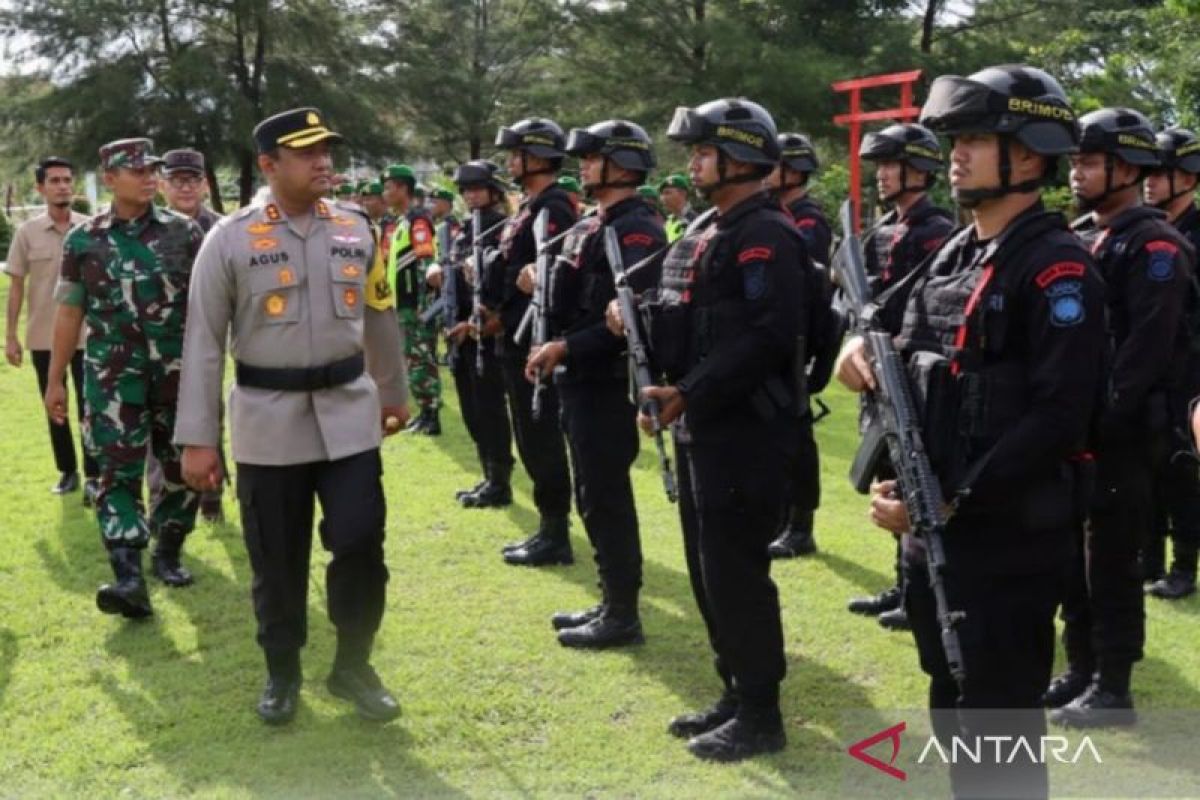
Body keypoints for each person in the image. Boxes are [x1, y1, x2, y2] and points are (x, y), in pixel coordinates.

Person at [837, 65, 1104, 798]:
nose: (956, 154)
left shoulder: (1057, 267)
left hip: (1005, 533)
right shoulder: (954, 251)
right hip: (935, 530)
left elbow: (1059, 416)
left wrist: (953, 500)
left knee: (997, 717)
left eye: (979, 138)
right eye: (957, 138)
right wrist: (853, 351)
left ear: (1032, 151)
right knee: (950, 696)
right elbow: (879, 331)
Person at [175, 107, 408, 726]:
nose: (323, 161)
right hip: (267, 422)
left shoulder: (357, 229)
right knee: (276, 558)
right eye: (307, 153)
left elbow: (381, 314)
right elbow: (201, 342)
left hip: (350, 416)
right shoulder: (228, 239)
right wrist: (198, 440)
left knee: (361, 541)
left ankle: (353, 665)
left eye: (326, 150)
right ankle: (282, 670)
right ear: (269, 165)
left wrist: (394, 391)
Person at [610, 97, 809, 761]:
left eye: (703, 150)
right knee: (706, 569)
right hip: (703, 425)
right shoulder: (711, 228)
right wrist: (632, 316)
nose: (691, 161)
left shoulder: (766, 235)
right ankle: (734, 690)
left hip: (745, 432)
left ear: (741, 157)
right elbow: (691, 319)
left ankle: (761, 712)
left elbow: (766, 335)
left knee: (736, 572)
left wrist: (689, 392)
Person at [1047, 107, 1194, 728]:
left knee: (1112, 556)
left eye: (1088, 162)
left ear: (1126, 168)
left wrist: (1101, 416)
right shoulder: (1092, 233)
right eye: (1075, 161)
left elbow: (1146, 349)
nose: (1076, 172)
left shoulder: (1154, 243)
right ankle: (1081, 667)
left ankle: (1114, 684)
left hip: (1126, 430)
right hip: (1084, 428)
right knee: (1075, 555)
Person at [45, 138, 205, 615]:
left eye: (152, 168)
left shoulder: (186, 234)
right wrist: (55, 380)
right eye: (137, 171)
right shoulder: (83, 239)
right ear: (110, 179)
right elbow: (69, 314)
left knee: (181, 472)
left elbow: (209, 308)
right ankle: (128, 577)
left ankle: (169, 553)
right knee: (116, 475)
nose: (150, 177)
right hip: (112, 381)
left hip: (178, 378)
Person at [526, 119, 665, 649]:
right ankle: (611, 599)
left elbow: (623, 318)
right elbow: (574, 295)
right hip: (576, 381)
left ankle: (623, 612)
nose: (581, 167)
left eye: (592, 158)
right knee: (591, 494)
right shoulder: (593, 223)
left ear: (622, 165)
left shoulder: (636, 228)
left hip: (604, 383)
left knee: (606, 496)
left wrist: (567, 346)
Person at [845, 122, 955, 632]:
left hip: (909, 370)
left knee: (912, 479)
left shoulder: (937, 232)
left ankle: (922, 590)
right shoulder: (884, 229)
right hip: (874, 369)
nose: (882, 176)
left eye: (891, 166)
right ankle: (902, 584)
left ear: (918, 170)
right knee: (889, 477)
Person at [490, 117, 576, 566]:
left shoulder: (556, 207)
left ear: (538, 157)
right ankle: (548, 526)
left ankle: (556, 530)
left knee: (541, 438)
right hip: (513, 334)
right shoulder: (530, 206)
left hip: (535, 338)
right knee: (527, 435)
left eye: (517, 152)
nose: (510, 161)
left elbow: (558, 270)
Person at [5, 156, 95, 501]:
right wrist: (10, 336)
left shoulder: (91, 228)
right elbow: (16, 287)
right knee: (54, 405)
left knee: (91, 408)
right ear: (40, 188)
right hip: (43, 336)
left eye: (67, 180)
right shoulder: (27, 233)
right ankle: (68, 470)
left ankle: (94, 473)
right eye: (55, 181)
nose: (63, 186)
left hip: (88, 336)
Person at [427, 160, 515, 509]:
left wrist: (477, 322)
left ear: (493, 192)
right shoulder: (463, 230)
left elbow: (502, 285)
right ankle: (488, 474)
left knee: (490, 409)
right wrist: (436, 271)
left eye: (478, 188)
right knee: (471, 410)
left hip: (485, 332)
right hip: (457, 327)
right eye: (467, 190)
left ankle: (500, 480)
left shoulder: (502, 228)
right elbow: (449, 268)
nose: (472, 195)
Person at [763, 132, 830, 561]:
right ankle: (782, 517)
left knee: (798, 439)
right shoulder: (780, 214)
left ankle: (801, 525)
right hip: (780, 337)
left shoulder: (807, 220)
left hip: (800, 340)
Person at [1142, 127, 1200, 600]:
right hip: (1149, 367)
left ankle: (1184, 567)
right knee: (1143, 464)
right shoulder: (1146, 231)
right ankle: (1149, 560)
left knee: (1181, 467)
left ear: (1189, 180)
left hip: (1190, 370)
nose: (1151, 182)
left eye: (1163, 174)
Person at [154, 148, 225, 523]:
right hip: (161, 345)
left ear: (204, 185)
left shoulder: (223, 229)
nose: (185, 187)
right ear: (162, 185)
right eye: (177, 180)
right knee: (161, 428)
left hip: (210, 341)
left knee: (212, 416)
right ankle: (164, 506)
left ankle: (212, 497)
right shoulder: (150, 229)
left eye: (193, 179)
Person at [382, 163, 442, 434]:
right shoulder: (403, 221)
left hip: (415, 306)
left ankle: (432, 415)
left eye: (389, 187)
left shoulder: (418, 222)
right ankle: (424, 411)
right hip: (401, 304)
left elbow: (425, 264)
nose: (385, 192)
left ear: (403, 188)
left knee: (421, 360)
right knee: (412, 360)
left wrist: (423, 306)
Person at [658, 173, 695, 243]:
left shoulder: (693, 220)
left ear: (683, 193)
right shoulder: (668, 221)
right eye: (661, 194)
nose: (663, 198)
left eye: (667, 193)